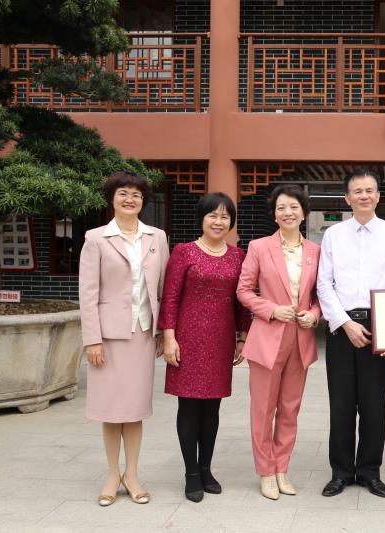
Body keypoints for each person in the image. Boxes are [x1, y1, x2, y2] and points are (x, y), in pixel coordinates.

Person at [79, 170, 170, 507]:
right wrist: (92, 339)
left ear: (143, 201)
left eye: (136, 194)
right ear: (112, 199)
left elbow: (164, 289)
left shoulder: (157, 237)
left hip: (143, 335)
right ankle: (111, 474)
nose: (130, 199)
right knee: (110, 409)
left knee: (133, 409)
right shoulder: (96, 239)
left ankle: (132, 474)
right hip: (108, 337)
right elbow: (88, 293)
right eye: (123, 193)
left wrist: (163, 330)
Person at [317, 168, 385, 498]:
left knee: (373, 405)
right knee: (341, 405)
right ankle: (341, 472)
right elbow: (324, 284)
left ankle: (370, 472)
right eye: (357, 191)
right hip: (342, 328)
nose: (364, 195)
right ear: (347, 198)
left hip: (379, 326)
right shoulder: (333, 235)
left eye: (370, 190)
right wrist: (345, 323)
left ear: (378, 196)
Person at [159, 192, 251, 503]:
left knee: (212, 407)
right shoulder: (184, 252)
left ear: (231, 222)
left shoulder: (237, 256)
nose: (218, 221)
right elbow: (170, 297)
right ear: (202, 218)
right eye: (213, 215)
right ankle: (191, 474)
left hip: (221, 339)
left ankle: (206, 468)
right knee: (188, 406)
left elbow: (242, 301)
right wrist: (168, 337)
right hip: (187, 338)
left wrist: (242, 336)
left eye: (225, 216)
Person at [237, 185, 322, 500]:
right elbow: (244, 290)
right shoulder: (259, 247)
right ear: (274, 214)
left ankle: (282, 468)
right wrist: (271, 310)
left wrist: (314, 314)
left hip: (300, 339)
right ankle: (266, 471)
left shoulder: (315, 251)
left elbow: (322, 294)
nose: (288, 213)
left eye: (294, 207)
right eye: (281, 208)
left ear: (303, 212)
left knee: (289, 409)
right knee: (263, 409)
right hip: (267, 338)